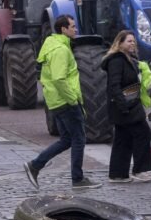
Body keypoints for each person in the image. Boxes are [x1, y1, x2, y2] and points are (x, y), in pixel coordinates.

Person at [23, 15, 101, 190]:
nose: (76, 30)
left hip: (56, 102)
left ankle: (35, 165)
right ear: (63, 29)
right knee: (79, 139)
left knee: (67, 140)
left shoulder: (53, 46)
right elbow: (59, 78)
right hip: (66, 102)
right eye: (72, 27)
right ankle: (78, 179)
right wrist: (73, 100)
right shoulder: (61, 50)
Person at [101, 30, 151, 184]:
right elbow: (114, 85)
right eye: (129, 41)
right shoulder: (117, 60)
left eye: (133, 41)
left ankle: (118, 174)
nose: (133, 44)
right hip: (126, 105)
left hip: (127, 104)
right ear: (120, 43)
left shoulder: (129, 59)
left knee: (123, 139)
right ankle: (140, 170)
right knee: (143, 133)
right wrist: (123, 105)